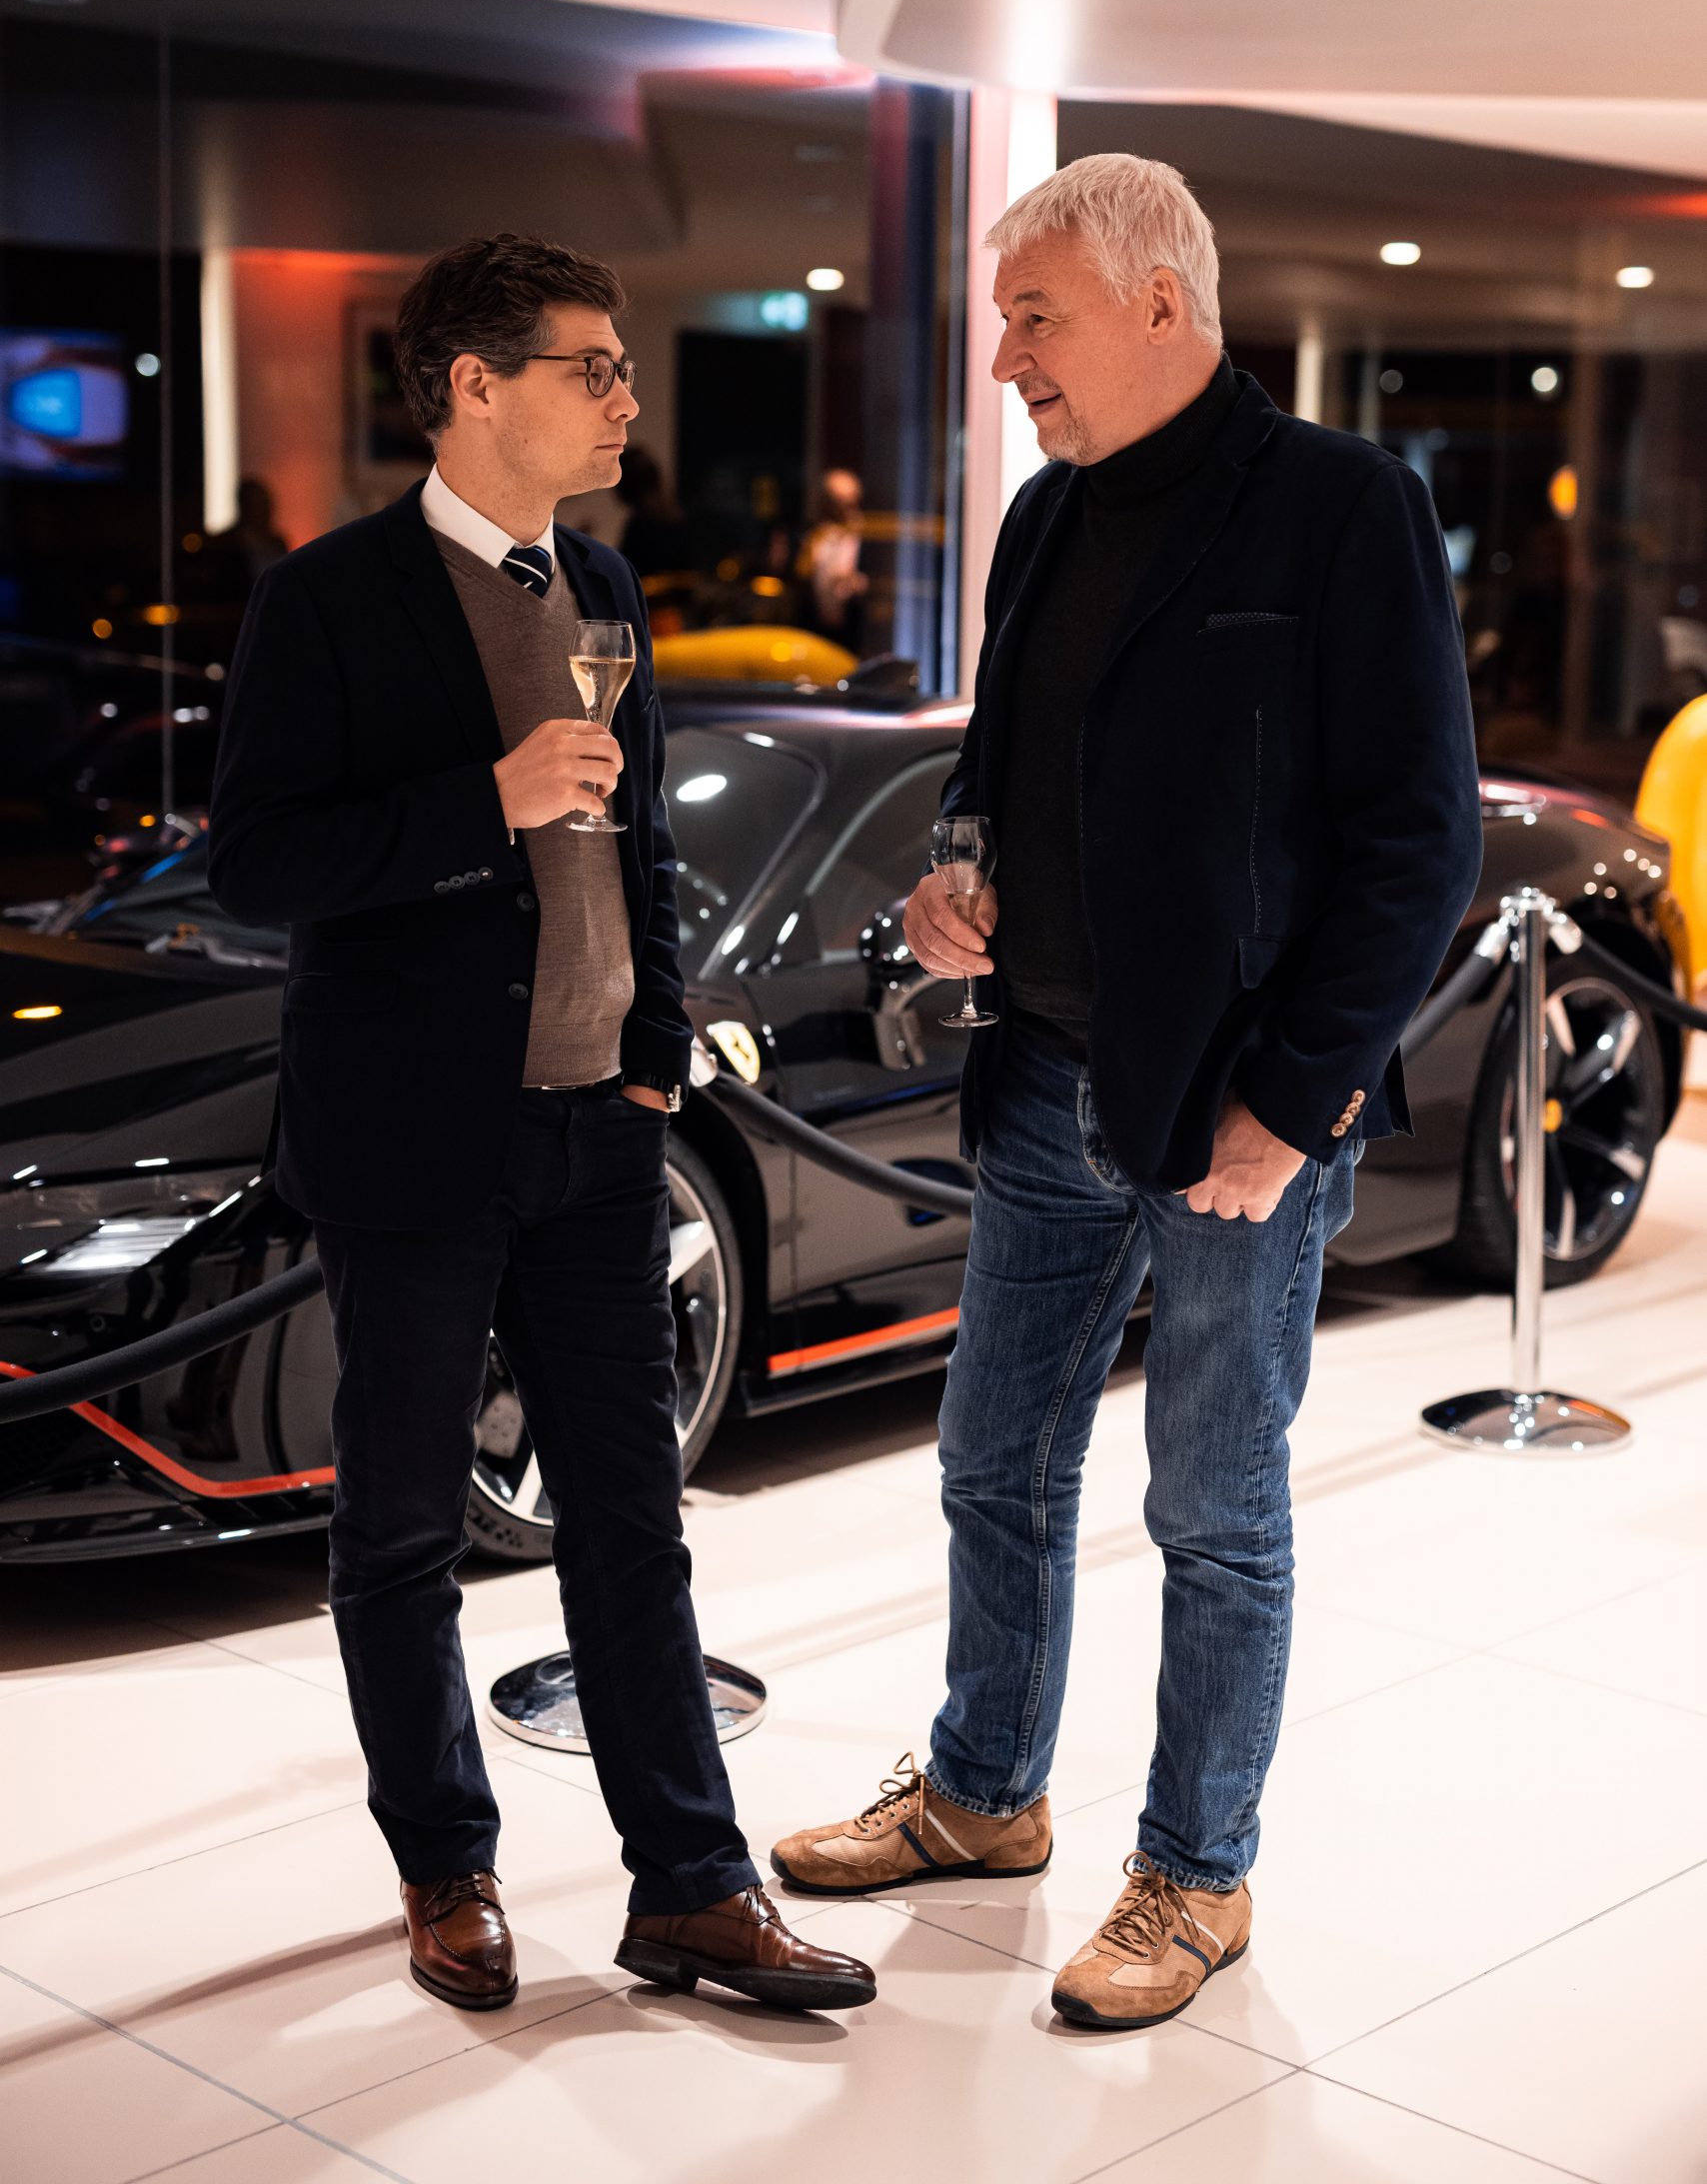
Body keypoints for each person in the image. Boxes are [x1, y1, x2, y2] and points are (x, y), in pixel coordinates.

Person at [774, 156, 1482, 2031]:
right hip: (1041, 1081)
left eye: (1036, 316)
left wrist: (1297, 1105)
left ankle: (1196, 1872)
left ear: (1162, 305)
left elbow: (1417, 844)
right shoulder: (1042, 519)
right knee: (990, 1462)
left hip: (1236, 1113)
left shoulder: (1343, 507)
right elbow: (994, 775)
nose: (1007, 357)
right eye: (1005, 318)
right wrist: (956, 877)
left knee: (1213, 1511)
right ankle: (983, 1794)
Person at [208, 232, 872, 2021]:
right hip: (416, 1141)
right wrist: (479, 803)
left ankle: (694, 1886)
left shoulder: (603, 584)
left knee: (633, 1520)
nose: (626, 399)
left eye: (623, 368)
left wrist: (654, 1051)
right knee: (404, 1530)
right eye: (593, 367)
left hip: (600, 1136)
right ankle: (447, 1868)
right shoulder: (328, 597)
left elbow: (640, 850)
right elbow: (254, 863)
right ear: (473, 385)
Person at [803, 466, 868, 650]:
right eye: (837, 501)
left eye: (850, 501)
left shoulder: (867, 536)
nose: (845, 508)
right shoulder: (814, 535)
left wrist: (860, 584)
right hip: (815, 627)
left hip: (855, 630)